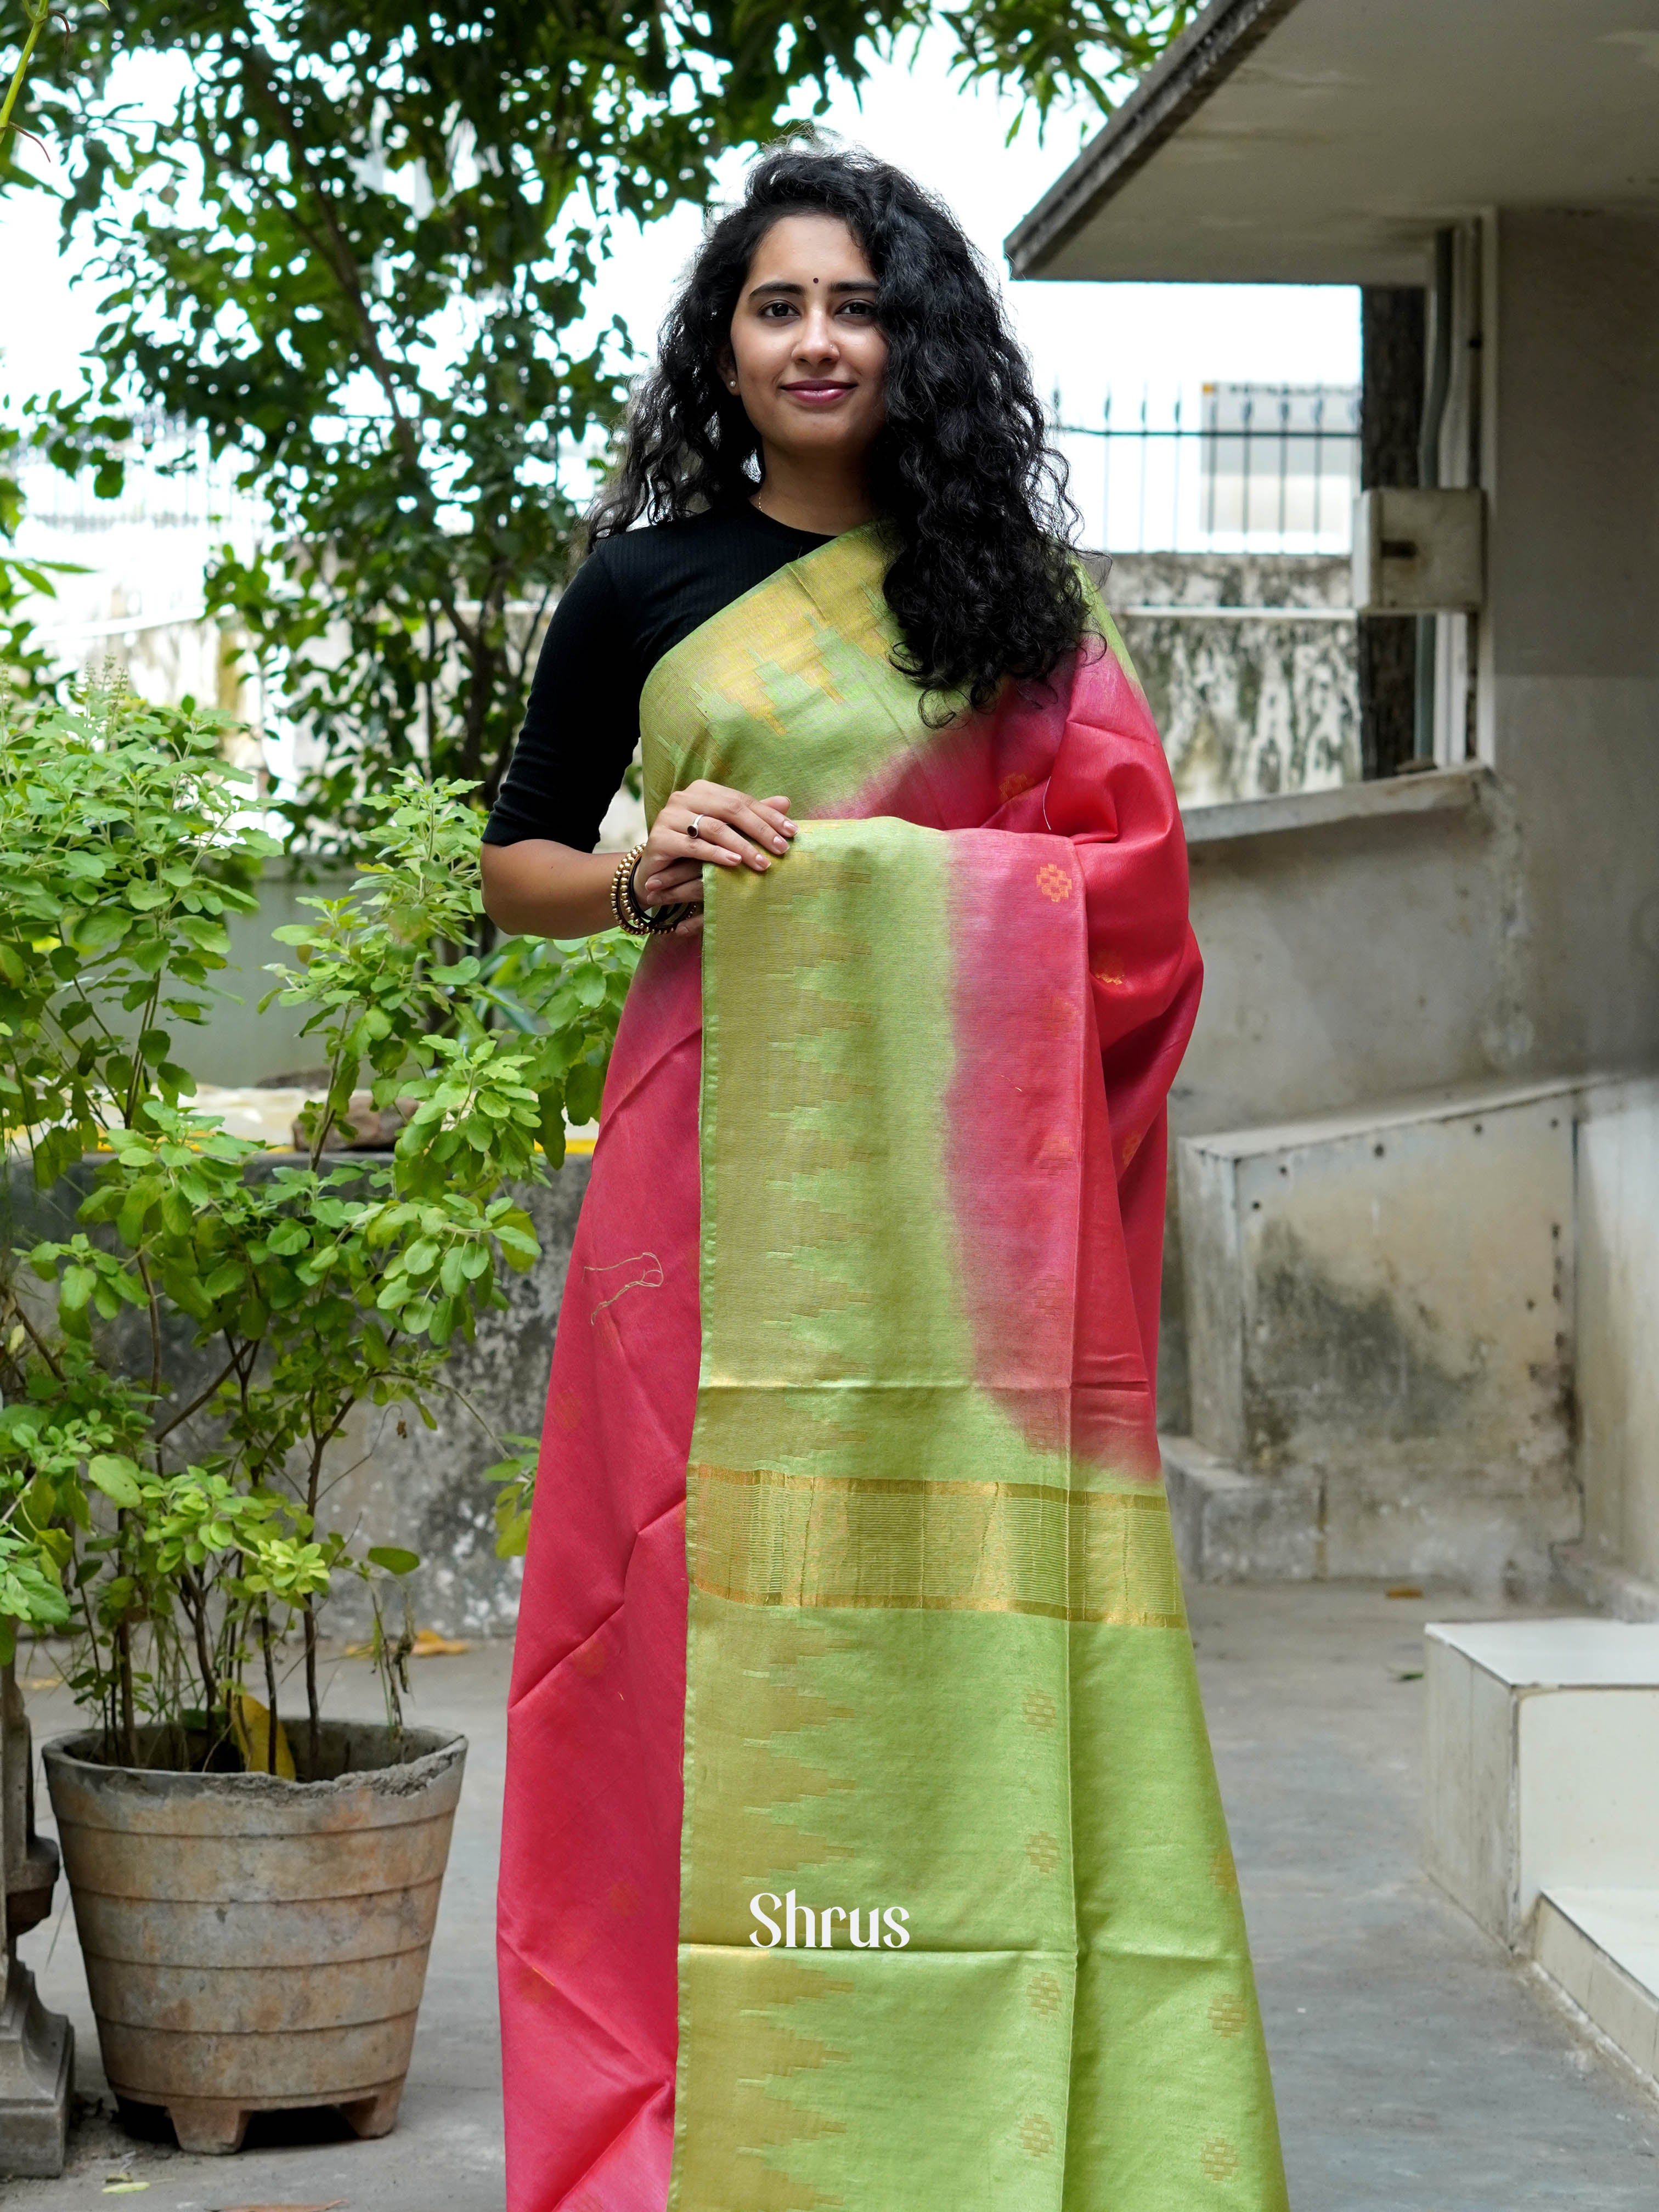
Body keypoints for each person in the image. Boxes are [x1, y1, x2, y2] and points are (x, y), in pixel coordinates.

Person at [483, 139, 1289, 2212]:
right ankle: (697, 2123)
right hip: (700, 1171)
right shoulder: (647, 584)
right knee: (662, 1610)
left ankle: (993, 2096)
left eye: (855, 304)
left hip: (965, 1238)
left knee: (979, 1588)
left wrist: (892, 887)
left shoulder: (1009, 595)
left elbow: (1134, 897)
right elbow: (521, 867)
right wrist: (647, 867)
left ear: (912, 336)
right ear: (724, 348)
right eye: (777, 306)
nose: (818, 339)